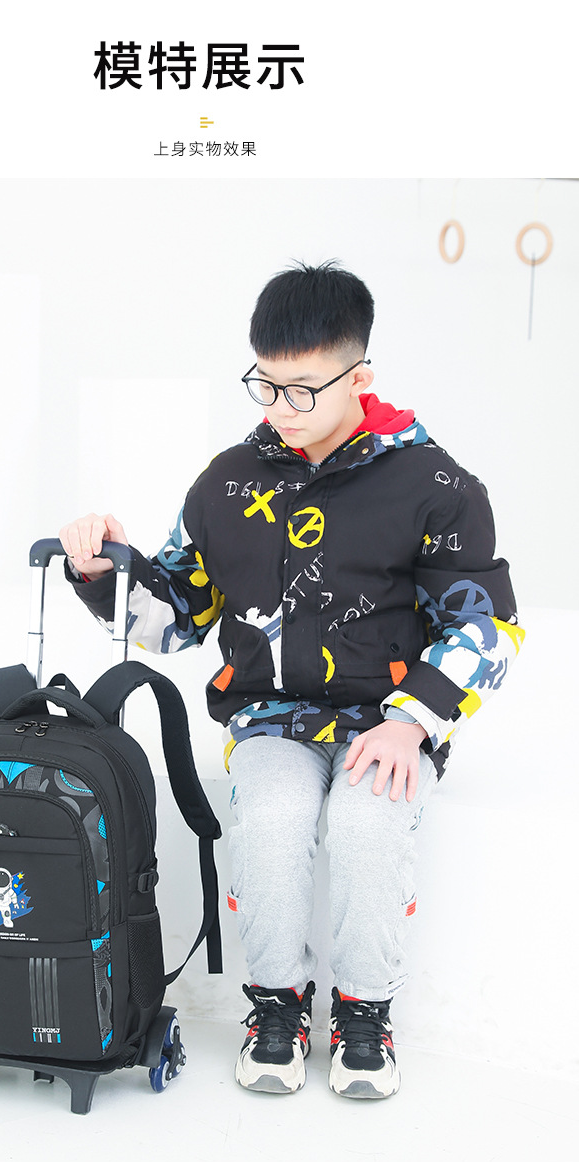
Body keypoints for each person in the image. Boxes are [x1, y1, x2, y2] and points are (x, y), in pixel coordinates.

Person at [59, 261, 524, 1100]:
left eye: (303, 389)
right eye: (266, 385)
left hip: (388, 719)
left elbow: (485, 623)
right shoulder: (227, 481)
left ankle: (364, 1012)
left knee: (367, 825)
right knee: (271, 822)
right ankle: (276, 1005)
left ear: (360, 378)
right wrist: (105, 570)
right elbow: (175, 615)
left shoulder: (435, 485)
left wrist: (414, 720)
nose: (280, 408)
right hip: (272, 717)